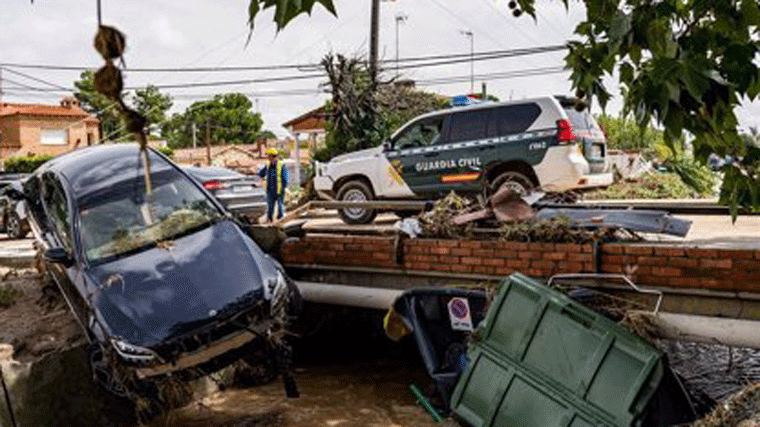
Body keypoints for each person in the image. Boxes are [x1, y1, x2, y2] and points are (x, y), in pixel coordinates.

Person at [258, 148, 289, 222]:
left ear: (272, 156)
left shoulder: (281, 165)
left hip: (279, 189)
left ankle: (281, 219)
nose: (268, 157)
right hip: (270, 189)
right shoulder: (268, 165)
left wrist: (284, 187)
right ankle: (269, 218)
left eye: (269, 156)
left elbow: (284, 177)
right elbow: (262, 173)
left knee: (280, 205)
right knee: (270, 205)